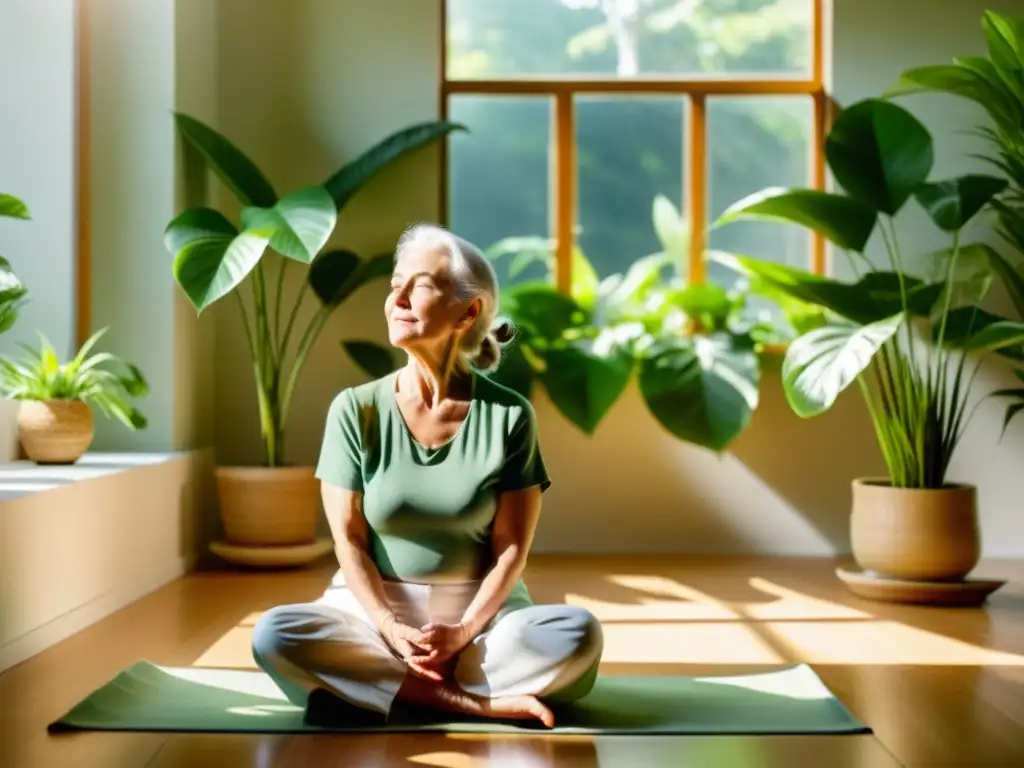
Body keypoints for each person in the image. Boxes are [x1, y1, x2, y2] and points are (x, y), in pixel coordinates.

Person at [251, 223, 604, 728]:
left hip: (481, 619)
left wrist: (461, 632)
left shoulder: (510, 415)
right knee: (274, 634)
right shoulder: (355, 409)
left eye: (419, 284)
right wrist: (391, 628)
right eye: (395, 283)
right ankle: (466, 702)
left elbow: (511, 549)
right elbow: (349, 541)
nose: (397, 296)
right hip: (372, 613)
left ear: (468, 312)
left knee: (578, 635)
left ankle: (379, 691)